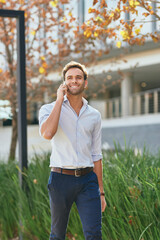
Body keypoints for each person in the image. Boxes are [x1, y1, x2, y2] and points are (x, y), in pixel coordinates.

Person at [39, 61, 106, 240]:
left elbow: (96, 154)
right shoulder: (48, 109)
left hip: (88, 181)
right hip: (60, 180)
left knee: (94, 234)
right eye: (69, 78)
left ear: (85, 82)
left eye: (78, 77)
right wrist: (59, 101)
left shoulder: (94, 115)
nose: (73, 81)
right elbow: (47, 133)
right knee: (58, 235)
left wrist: (101, 191)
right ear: (64, 83)